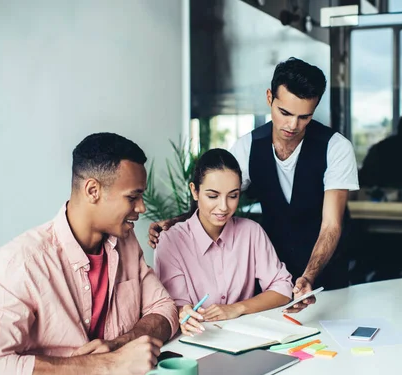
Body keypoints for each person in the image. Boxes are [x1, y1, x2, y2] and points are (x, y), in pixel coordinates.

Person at [0, 133, 179, 375]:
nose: (142, 207)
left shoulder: (126, 243)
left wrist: (122, 343)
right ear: (93, 190)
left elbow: (164, 308)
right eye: (132, 197)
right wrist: (110, 363)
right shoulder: (16, 265)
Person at [149, 57, 359, 308]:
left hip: (324, 276)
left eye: (305, 117)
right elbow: (217, 195)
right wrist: (176, 222)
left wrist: (308, 276)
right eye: (285, 113)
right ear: (270, 97)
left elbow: (331, 226)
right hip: (272, 280)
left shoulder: (335, 148)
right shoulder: (247, 147)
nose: (293, 125)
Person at [153, 149, 293, 335]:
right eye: (213, 196)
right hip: (197, 339)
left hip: (247, 337)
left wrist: (238, 308)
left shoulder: (251, 232)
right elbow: (173, 305)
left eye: (233, 195)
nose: (224, 207)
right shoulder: (171, 241)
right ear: (195, 191)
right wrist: (182, 312)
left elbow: (283, 288)